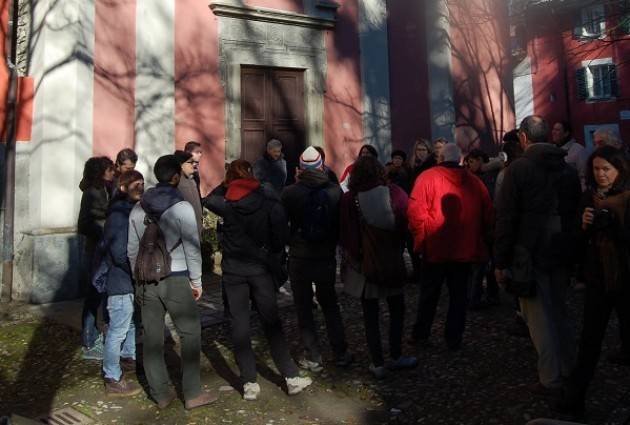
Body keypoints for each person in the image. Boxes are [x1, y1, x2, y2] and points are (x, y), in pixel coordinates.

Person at [203, 159, 312, 401]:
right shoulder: (266, 200)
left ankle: (249, 382)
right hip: (260, 269)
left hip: (233, 271)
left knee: (239, 326)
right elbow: (279, 234)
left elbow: (208, 199)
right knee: (271, 324)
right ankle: (291, 377)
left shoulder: (227, 203)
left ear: (230, 179)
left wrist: (226, 184)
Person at [494, 115, 581, 396]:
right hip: (562, 247)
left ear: (523, 137)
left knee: (537, 317)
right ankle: (570, 368)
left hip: (528, 250)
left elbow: (506, 218)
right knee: (560, 310)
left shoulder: (518, 170)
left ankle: (550, 378)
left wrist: (501, 260)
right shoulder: (566, 168)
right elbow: (575, 211)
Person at [128, 155, 216, 410]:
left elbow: (132, 249)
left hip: (146, 281)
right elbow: (192, 248)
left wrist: (140, 277)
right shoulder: (182, 208)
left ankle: (160, 394)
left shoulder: (138, 208)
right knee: (190, 334)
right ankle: (192, 393)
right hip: (177, 278)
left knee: (152, 338)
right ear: (176, 177)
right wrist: (197, 281)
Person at [557, 146, 630, 419]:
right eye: (597, 169)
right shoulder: (588, 197)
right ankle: (575, 399)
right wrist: (584, 226)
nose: (601, 175)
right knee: (590, 341)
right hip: (598, 279)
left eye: (606, 169)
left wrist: (615, 227)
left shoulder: (627, 196)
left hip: (626, 279)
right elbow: (575, 242)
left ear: (619, 170)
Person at [408, 144, 493, 349]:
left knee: (429, 294)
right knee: (459, 297)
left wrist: (422, 239)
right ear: (460, 159)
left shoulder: (427, 178)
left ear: (441, 158)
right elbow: (488, 215)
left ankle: (421, 334)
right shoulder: (474, 182)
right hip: (464, 250)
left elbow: (415, 212)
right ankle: (454, 338)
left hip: (434, 249)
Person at [340, 155, 417, 379]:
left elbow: (347, 236)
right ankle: (396, 355)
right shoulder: (394, 193)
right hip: (391, 260)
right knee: (397, 309)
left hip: (366, 265)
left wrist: (356, 258)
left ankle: (377, 362)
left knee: (370, 315)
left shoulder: (349, 199)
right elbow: (406, 222)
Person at [281, 147, 351, 372]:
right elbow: (342, 224)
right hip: (325, 256)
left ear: (300, 169)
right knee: (330, 304)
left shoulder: (290, 192)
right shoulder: (334, 191)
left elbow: (283, 226)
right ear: (322, 166)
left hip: (299, 257)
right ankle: (340, 352)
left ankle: (313, 356)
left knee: (303, 308)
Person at [102, 170, 144, 396]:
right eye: (136, 184)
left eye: (142, 184)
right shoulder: (118, 215)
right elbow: (119, 253)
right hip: (120, 281)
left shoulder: (132, 211)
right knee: (118, 329)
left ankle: (128, 360)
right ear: (122, 188)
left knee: (130, 324)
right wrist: (139, 270)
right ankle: (112, 377)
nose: (141, 188)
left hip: (129, 280)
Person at [77, 156, 115, 360]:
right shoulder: (92, 193)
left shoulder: (106, 190)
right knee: (93, 296)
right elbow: (83, 224)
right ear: (100, 172)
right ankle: (89, 341)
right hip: (95, 251)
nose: (113, 172)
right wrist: (104, 229)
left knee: (101, 295)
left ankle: (96, 337)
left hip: (103, 249)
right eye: (109, 169)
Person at [464, 148, 501, 309]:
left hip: (485, 226)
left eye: (471, 162)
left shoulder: (485, 178)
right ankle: (488, 296)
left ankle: (476, 298)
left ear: (480, 160)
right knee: (485, 264)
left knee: (480, 265)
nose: (469, 165)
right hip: (487, 226)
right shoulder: (488, 175)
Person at [174, 150, 204, 238]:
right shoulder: (178, 183)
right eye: (190, 162)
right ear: (181, 165)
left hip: (198, 230)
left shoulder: (192, 180)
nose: (193, 165)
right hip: (188, 234)